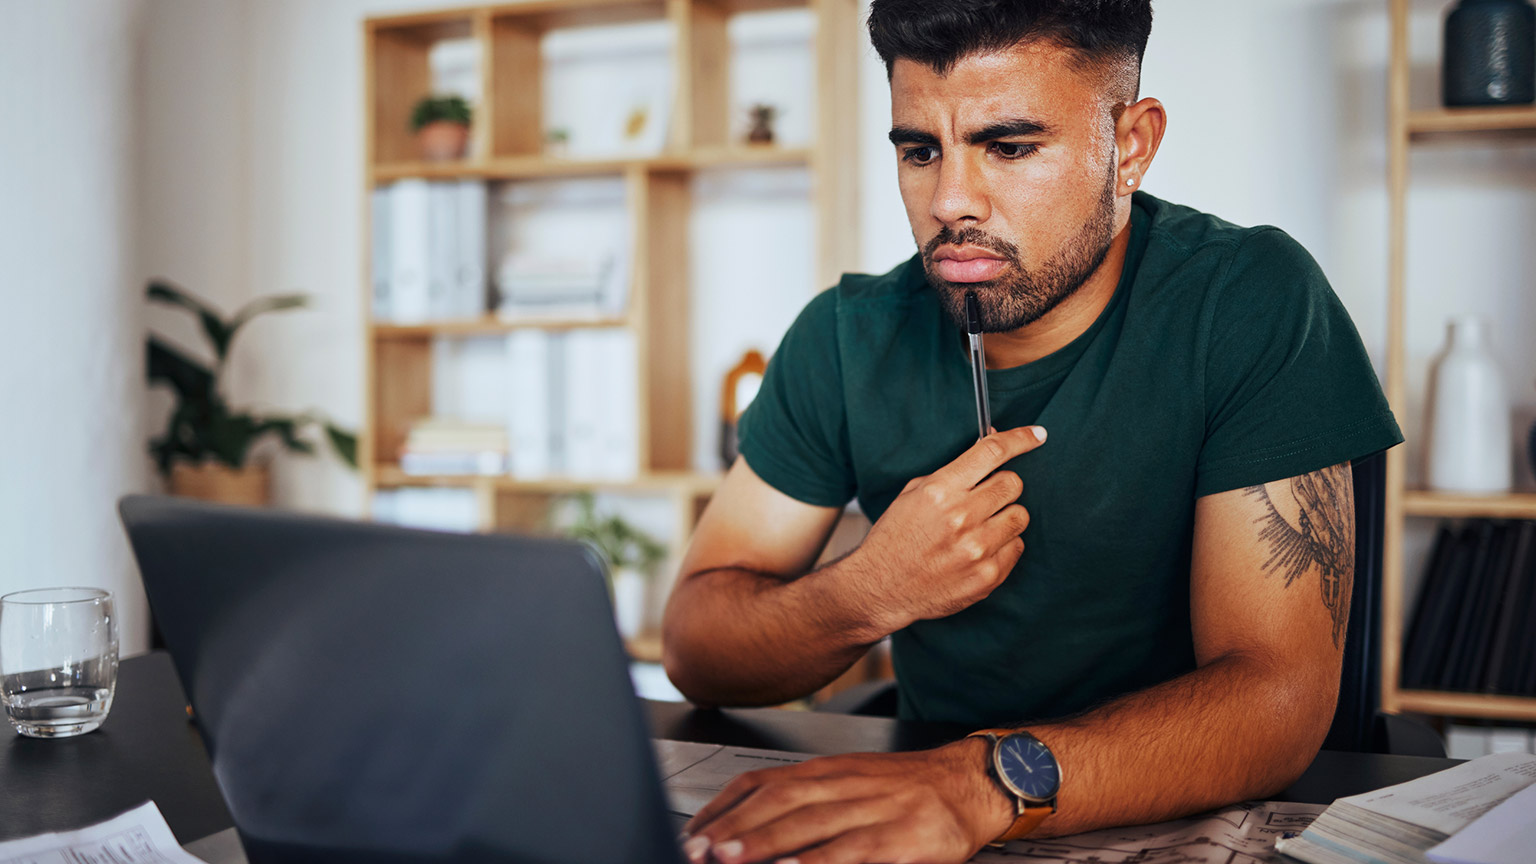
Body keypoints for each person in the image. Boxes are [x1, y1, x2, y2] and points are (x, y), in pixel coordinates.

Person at [662, 2, 1403, 862]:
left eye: (1008, 147)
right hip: (928, 819)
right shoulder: (845, 335)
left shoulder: (1251, 299)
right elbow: (697, 645)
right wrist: (870, 591)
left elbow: (1277, 696)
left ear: (1130, 145)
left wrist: (980, 784)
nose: (950, 202)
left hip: (1164, 817)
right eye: (918, 149)